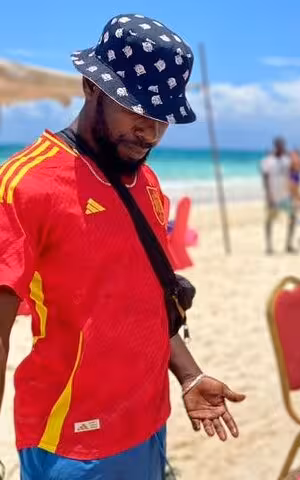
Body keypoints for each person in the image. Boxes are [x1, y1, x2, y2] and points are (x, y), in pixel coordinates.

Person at [0, 15, 245, 480]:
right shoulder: (26, 185)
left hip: (149, 422)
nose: (151, 133)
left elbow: (150, 297)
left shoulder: (147, 184)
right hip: (71, 443)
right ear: (91, 86)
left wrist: (188, 375)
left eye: (162, 118)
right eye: (136, 110)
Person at [261, 137, 297, 254]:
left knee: (292, 217)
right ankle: (269, 246)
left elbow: (293, 174)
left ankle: (288, 244)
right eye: (280, 146)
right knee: (269, 221)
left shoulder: (287, 160)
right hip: (273, 196)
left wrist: (293, 191)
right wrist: (268, 196)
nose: (282, 148)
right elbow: (265, 179)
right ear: (276, 146)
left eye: (283, 145)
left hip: (286, 195)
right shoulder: (267, 161)